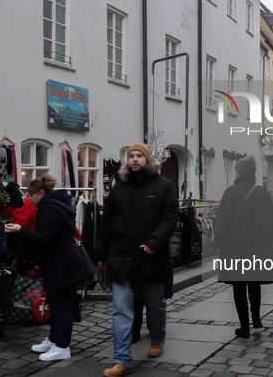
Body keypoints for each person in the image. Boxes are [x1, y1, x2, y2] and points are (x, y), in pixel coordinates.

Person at [96, 144, 178, 377]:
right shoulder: (119, 189)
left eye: (139, 155)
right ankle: (123, 360)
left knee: (156, 304)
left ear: (148, 159)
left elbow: (170, 218)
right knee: (121, 309)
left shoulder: (164, 186)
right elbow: (106, 222)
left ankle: (158, 338)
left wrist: (154, 242)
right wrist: (101, 254)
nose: (134, 159)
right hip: (121, 256)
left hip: (151, 257)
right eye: (131, 156)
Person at [5, 174, 85, 361]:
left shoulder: (49, 208)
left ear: (41, 193)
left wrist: (20, 230)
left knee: (60, 306)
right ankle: (55, 340)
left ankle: (62, 347)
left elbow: (45, 239)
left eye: (31, 195)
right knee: (56, 303)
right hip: (61, 261)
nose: (28, 198)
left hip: (61, 263)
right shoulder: (55, 205)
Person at [216, 155, 273, 337]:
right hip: (258, 248)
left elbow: (223, 223)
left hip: (236, 248)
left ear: (240, 172)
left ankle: (244, 327)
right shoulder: (262, 192)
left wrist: (220, 243)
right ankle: (256, 318)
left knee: (239, 286)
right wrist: (272, 242)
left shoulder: (231, 192)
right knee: (254, 283)